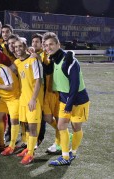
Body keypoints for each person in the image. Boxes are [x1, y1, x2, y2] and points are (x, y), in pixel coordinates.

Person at [43, 32, 90, 166]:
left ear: (58, 44)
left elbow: (74, 85)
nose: (48, 47)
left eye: (51, 44)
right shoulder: (53, 58)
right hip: (65, 99)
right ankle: (64, 156)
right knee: (61, 126)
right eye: (46, 45)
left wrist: (69, 104)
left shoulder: (69, 60)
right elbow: (49, 70)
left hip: (78, 100)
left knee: (76, 127)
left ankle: (73, 152)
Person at [14, 37, 44, 165]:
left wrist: (33, 99)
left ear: (26, 47)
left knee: (32, 127)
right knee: (25, 125)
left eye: (20, 46)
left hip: (33, 100)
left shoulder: (33, 60)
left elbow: (39, 80)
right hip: (23, 99)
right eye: (15, 47)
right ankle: (27, 149)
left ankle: (31, 153)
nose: (18, 49)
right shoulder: (17, 62)